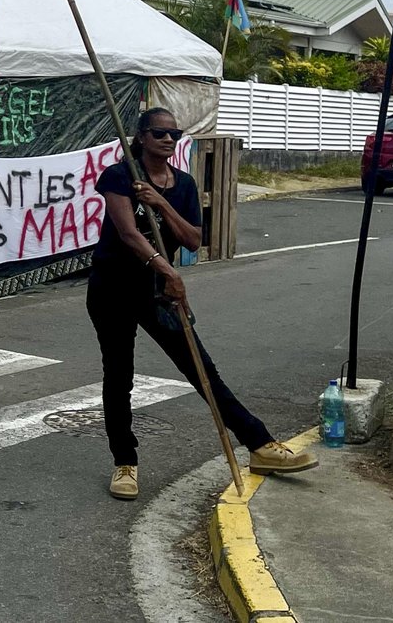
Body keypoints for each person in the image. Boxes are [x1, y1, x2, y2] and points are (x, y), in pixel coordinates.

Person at [87, 107, 317, 500]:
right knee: (119, 374)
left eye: (174, 134)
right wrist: (166, 268)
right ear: (141, 136)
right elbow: (127, 233)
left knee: (201, 369)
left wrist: (160, 204)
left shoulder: (184, 185)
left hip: (159, 292)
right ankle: (125, 463)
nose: (167, 139)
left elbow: (193, 239)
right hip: (113, 288)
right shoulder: (120, 176)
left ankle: (260, 445)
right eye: (159, 132)